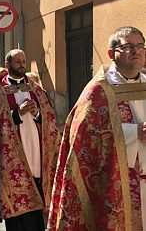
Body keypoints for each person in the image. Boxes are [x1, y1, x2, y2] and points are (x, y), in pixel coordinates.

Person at [47, 26, 146, 231]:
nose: (136, 51)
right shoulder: (99, 90)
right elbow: (84, 138)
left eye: (140, 46)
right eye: (128, 46)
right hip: (114, 181)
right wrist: (134, 133)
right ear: (112, 54)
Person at [0, 49, 59, 231]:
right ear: (8, 65)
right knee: (15, 204)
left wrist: (36, 113)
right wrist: (17, 113)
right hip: (12, 158)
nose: (22, 65)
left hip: (36, 153)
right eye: (18, 62)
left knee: (36, 201)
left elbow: (49, 119)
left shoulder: (35, 89)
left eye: (24, 61)